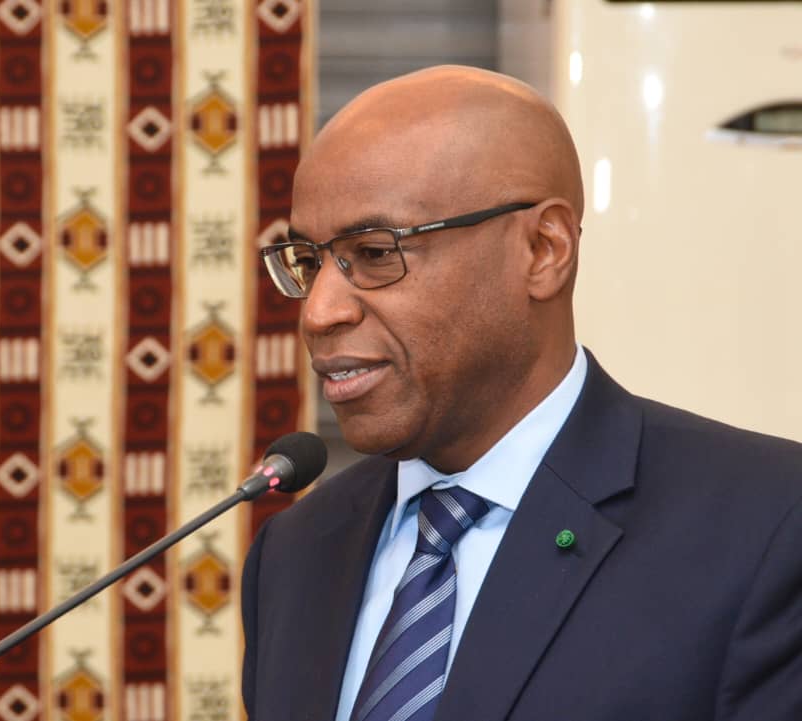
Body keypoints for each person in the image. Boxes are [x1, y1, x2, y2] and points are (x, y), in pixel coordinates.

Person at [241, 65, 802, 721]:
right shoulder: (296, 553)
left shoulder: (767, 527)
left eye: (375, 253)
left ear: (543, 250)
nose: (318, 312)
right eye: (309, 262)